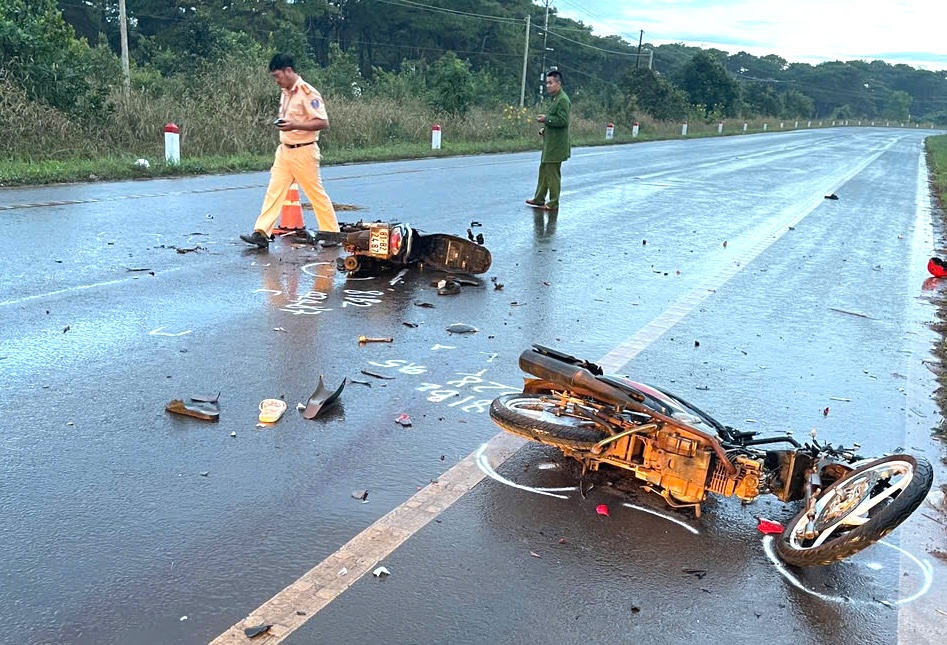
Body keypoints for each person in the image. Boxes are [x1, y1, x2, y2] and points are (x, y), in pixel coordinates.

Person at [241, 53, 340, 249]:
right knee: (274, 191)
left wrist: (294, 124)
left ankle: (331, 233)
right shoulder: (286, 92)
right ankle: (261, 232)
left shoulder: (308, 93)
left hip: (304, 151)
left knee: (315, 193)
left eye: (278, 75)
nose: (276, 80)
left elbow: (323, 122)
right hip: (284, 150)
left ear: (288, 71)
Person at [525, 70, 571, 212]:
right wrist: (545, 128)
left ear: (558, 83)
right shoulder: (556, 99)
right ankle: (539, 198)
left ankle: (553, 203)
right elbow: (555, 119)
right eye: (547, 83)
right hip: (550, 143)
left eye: (551, 83)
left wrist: (547, 119)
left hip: (556, 145)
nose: (548, 86)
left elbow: (563, 121)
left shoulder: (563, 100)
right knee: (544, 170)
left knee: (552, 174)